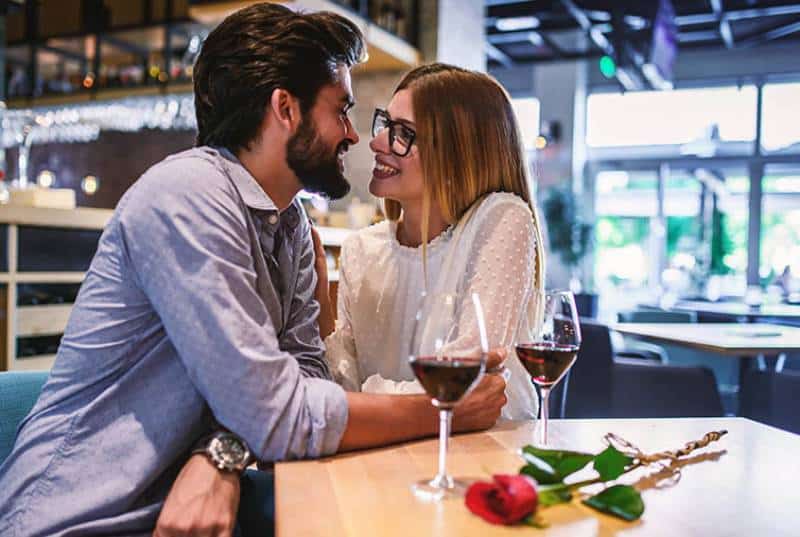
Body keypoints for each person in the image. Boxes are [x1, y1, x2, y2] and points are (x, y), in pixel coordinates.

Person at [0, 5, 507, 536]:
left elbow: (303, 380)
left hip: (189, 518)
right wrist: (445, 410)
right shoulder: (188, 198)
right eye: (342, 110)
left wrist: (221, 453)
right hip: (75, 519)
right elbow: (280, 415)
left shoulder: (290, 226)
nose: (354, 136)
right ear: (285, 108)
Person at [317, 63, 546, 420]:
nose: (376, 142)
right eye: (385, 124)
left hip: (486, 455)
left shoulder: (502, 218)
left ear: (461, 151)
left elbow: (464, 381)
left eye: (404, 133)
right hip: (386, 457)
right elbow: (342, 384)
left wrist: (364, 403)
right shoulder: (361, 249)